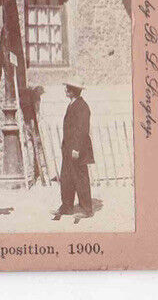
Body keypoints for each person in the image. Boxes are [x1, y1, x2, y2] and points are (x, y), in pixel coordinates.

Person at [53, 81, 95, 219]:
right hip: (68, 148)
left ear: (73, 91)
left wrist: (76, 149)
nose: (65, 90)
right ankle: (66, 206)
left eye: (67, 88)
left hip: (78, 149)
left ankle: (86, 209)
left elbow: (82, 130)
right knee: (67, 177)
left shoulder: (82, 107)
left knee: (80, 178)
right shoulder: (72, 104)